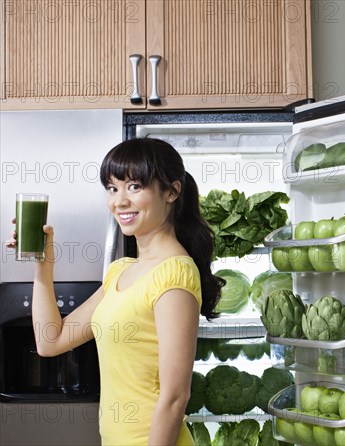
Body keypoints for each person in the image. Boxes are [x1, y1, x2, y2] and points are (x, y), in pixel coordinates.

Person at [6, 138, 223, 445]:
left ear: (171, 192)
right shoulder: (121, 271)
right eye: (112, 188)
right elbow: (50, 341)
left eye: (134, 186)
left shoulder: (175, 273)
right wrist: (43, 263)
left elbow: (176, 397)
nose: (119, 201)